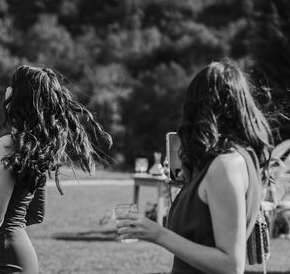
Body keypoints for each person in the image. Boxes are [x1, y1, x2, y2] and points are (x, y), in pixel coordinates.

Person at [117, 59, 273, 274]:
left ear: (199, 108)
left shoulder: (225, 166)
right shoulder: (239, 158)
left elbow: (230, 265)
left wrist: (159, 234)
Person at [0, 65, 112, 274]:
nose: (6, 90)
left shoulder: (8, 145)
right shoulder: (35, 149)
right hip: (22, 258)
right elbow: (35, 214)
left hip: (1, 259)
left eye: (11, 86)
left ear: (19, 96)